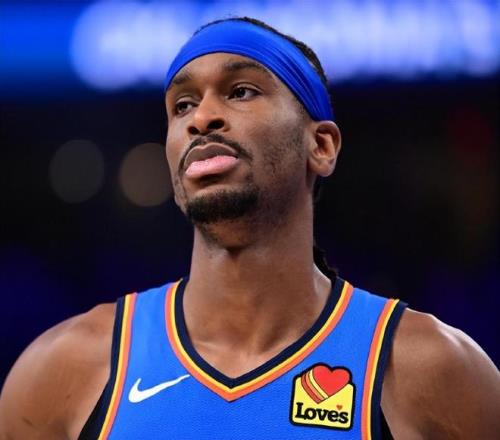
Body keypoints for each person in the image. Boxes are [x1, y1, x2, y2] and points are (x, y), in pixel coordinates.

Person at [1, 16, 499, 440]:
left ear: (321, 146)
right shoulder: (66, 369)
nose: (202, 118)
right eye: (182, 105)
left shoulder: (430, 370)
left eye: (241, 91)